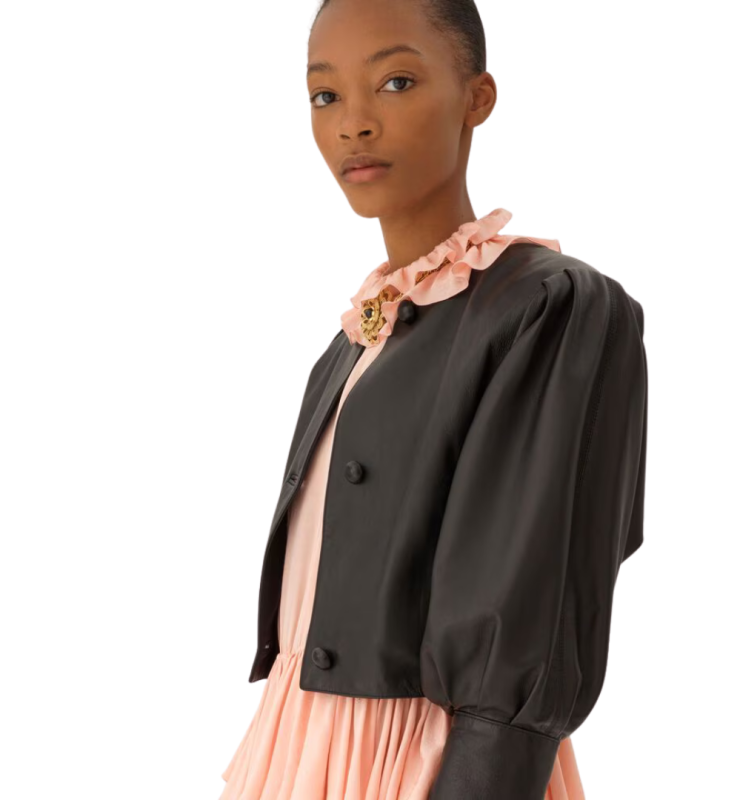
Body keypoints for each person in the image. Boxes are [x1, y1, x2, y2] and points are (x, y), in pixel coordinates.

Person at [220, 1, 647, 798]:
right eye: (325, 95)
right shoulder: (350, 342)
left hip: (433, 764)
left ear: (479, 97)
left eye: (396, 82)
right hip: (289, 753)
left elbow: (536, 601)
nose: (353, 123)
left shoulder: (548, 306)